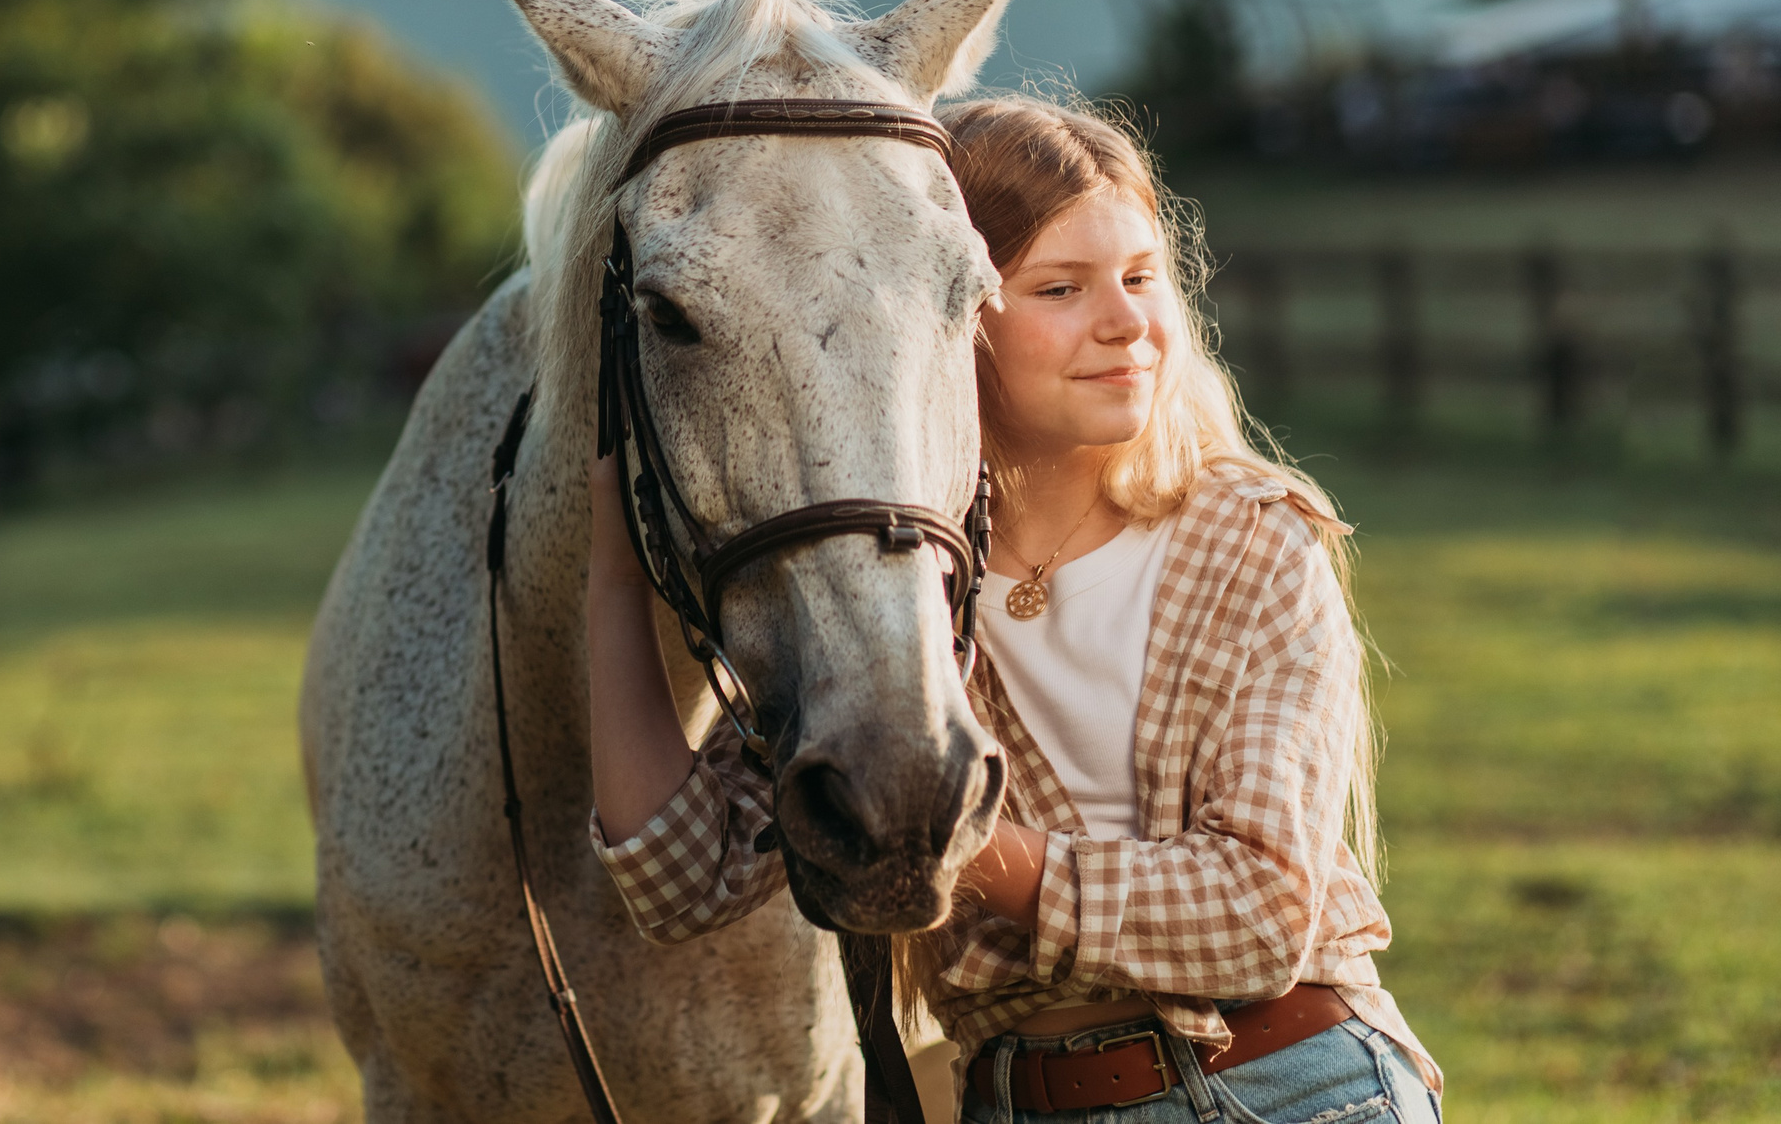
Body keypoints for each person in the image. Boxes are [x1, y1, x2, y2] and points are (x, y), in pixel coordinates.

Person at [584, 96, 1442, 1122]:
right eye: (1061, 288)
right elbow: (684, 877)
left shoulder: (1253, 541)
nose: (1124, 321)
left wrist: (934, 829)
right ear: (945, 322)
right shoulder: (895, 595)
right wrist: (614, 575)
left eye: (1139, 278)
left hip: (1288, 1086)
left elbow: (1258, 919)